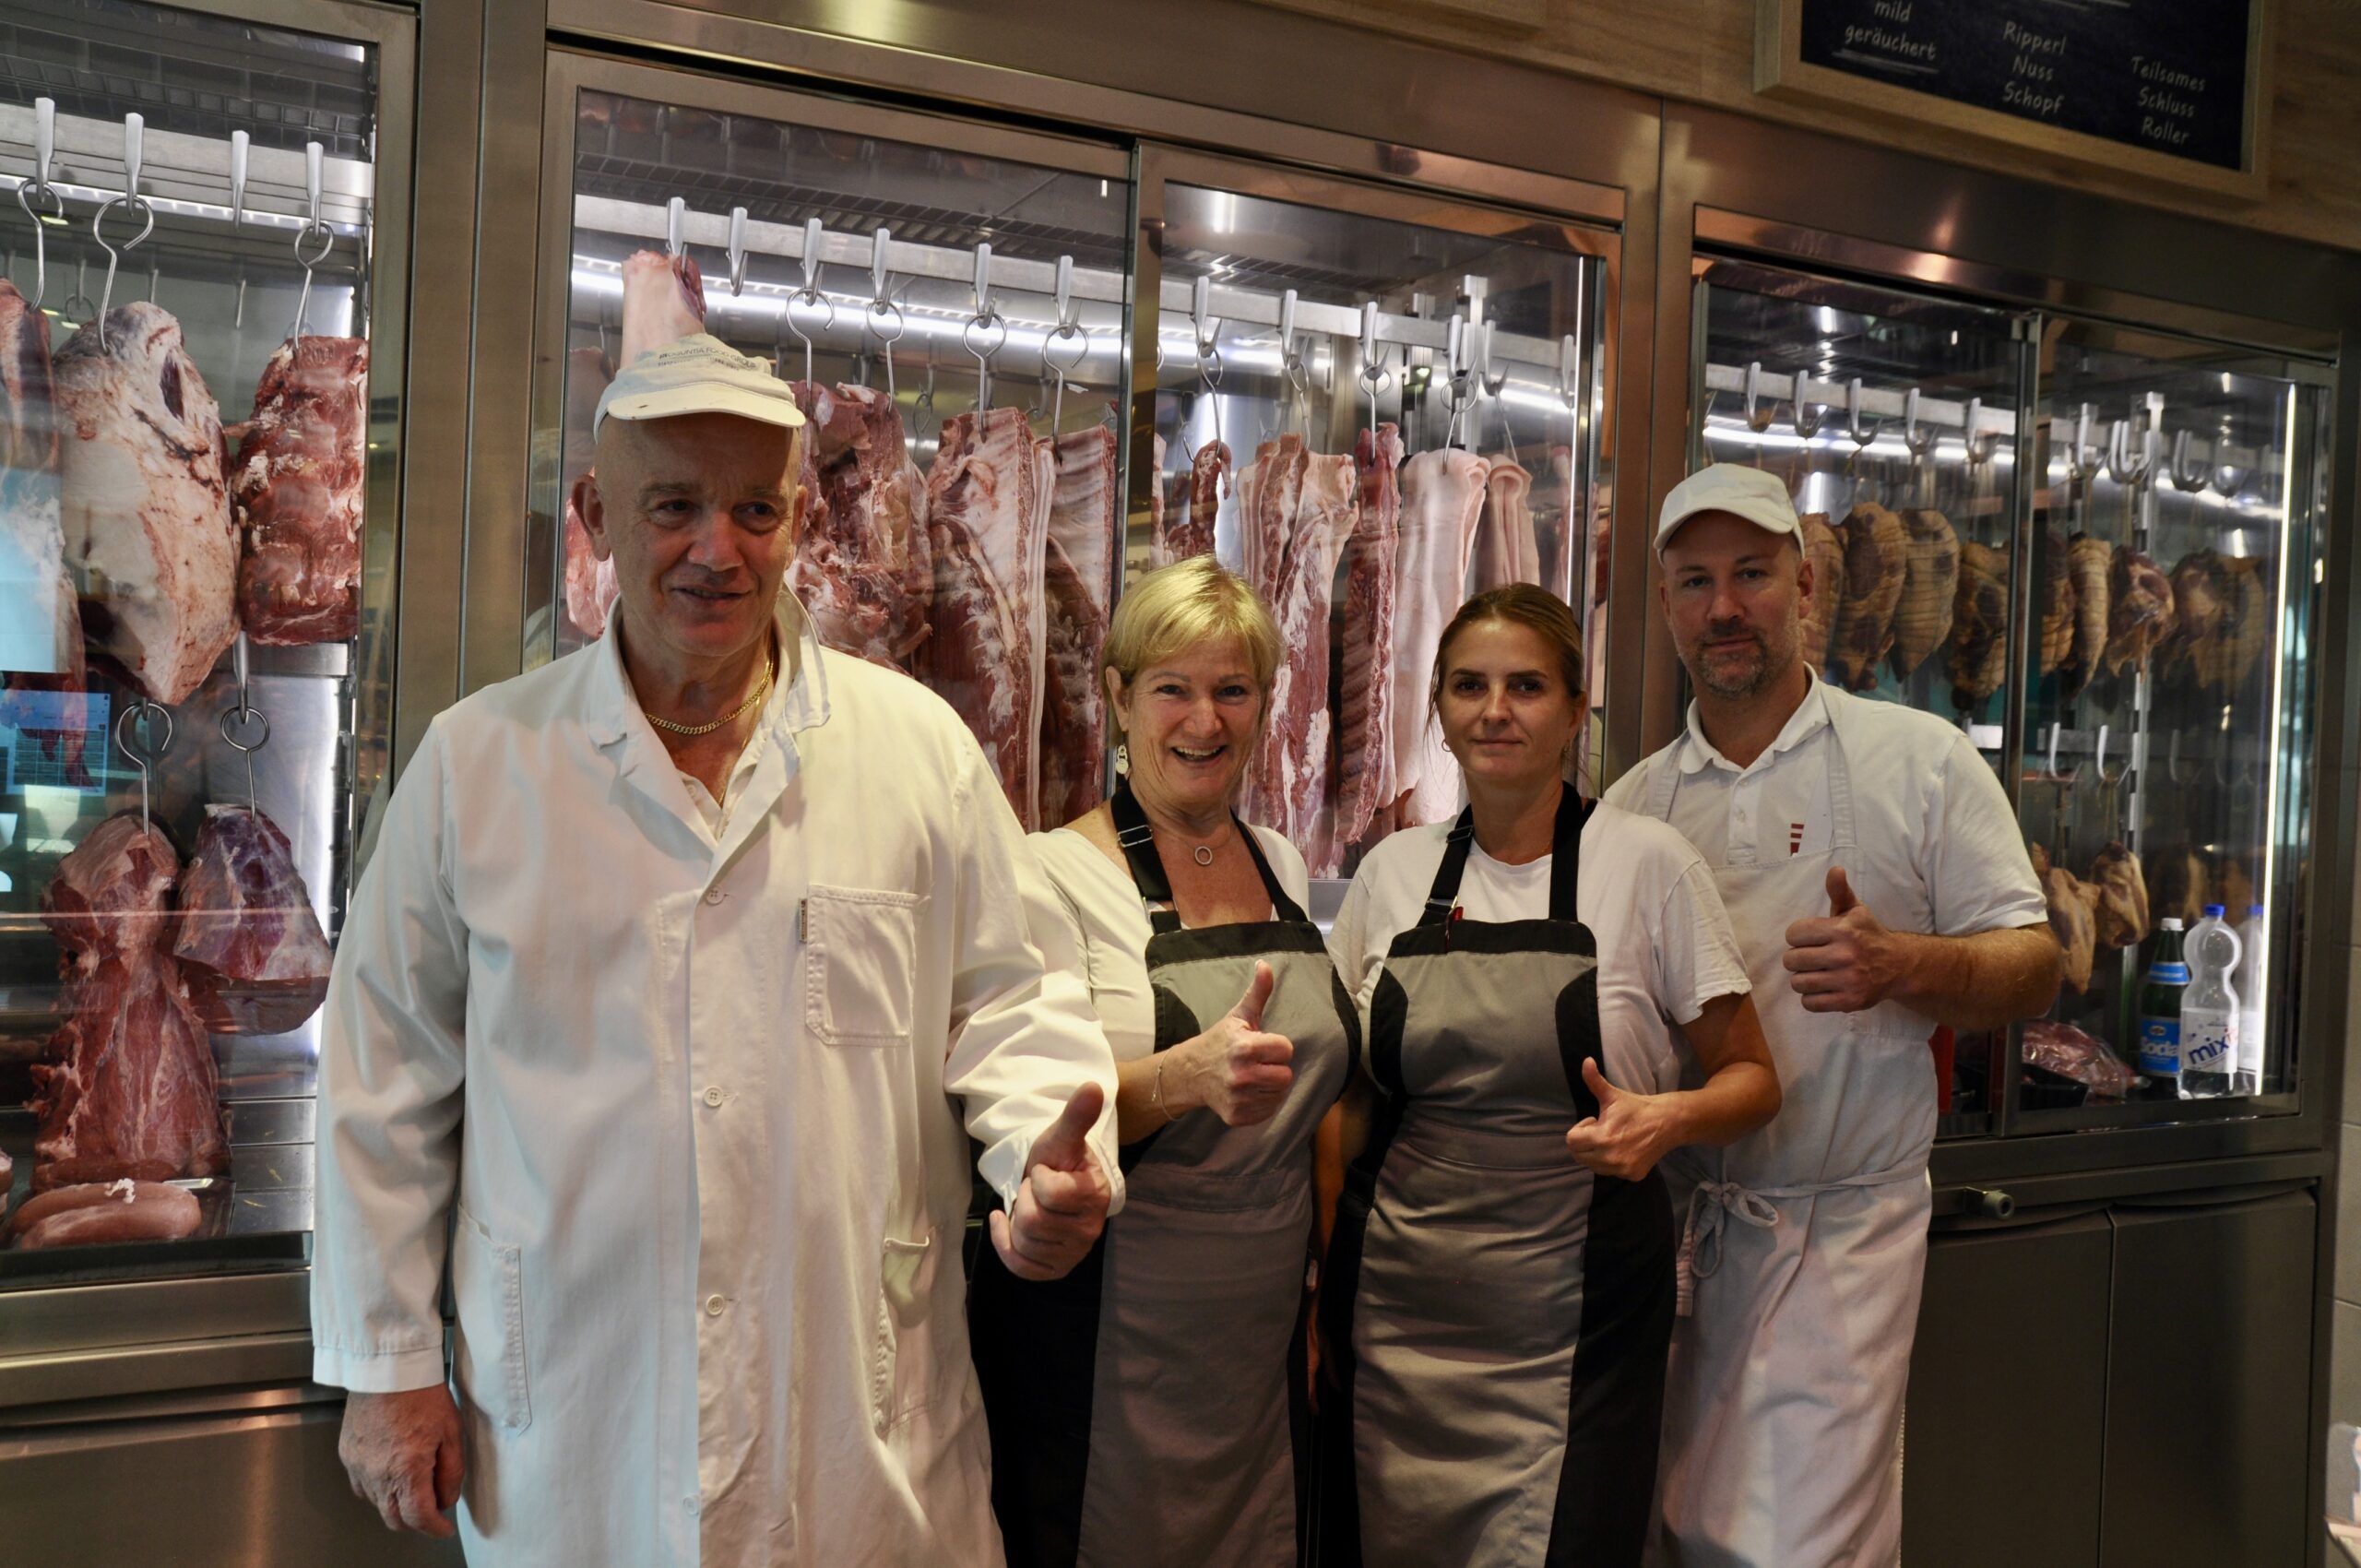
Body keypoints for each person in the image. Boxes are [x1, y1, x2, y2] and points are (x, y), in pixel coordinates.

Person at [310, 335, 1122, 1567]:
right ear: (595, 515)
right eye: (675, 506)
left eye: (754, 510)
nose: (717, 549)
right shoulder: (478, 767)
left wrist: (1046, 1159)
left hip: (861, 1446)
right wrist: (386, 1366)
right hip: (577, 1441)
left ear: (801, 517)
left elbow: (1013, 999)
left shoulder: (914, 750)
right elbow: (382, 1088)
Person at [1606, 463, 2060, 1568]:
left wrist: (1902, 962)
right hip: (1673, 1234)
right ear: (1664, 607)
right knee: (1666, 1533)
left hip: (1837, 1244)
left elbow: (2035, 962)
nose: (1724, 607)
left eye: (1752, 574)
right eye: (1695, 581)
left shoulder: (1920, 759)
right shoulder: (1632, 805)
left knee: (1801, 1549)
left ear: (1805, 586)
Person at [1320, 583, 1782, 1568]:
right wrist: (1320, 1277)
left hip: (1576, 1320)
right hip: (1397, 1312)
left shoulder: (1647, 864)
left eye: (1526, 685)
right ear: (1438, 709)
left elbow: (1751, 1077)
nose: (1496, 709)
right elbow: (1350, 1104)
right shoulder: (1390, 873)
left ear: (1576, 709)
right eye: (1469, 685)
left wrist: (1665, 1120)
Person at [969, 555, 1355, 1567]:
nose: (1205, 719)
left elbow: (1319, 1105)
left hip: (1259, 1332)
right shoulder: (1050, 870)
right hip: (1109, 1326)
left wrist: (1324, 1282)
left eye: (1232, 689)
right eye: (1172, 688)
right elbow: (1032, 1105)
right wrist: (1182, 1077)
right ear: (1116, 696)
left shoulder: (1280, 860)